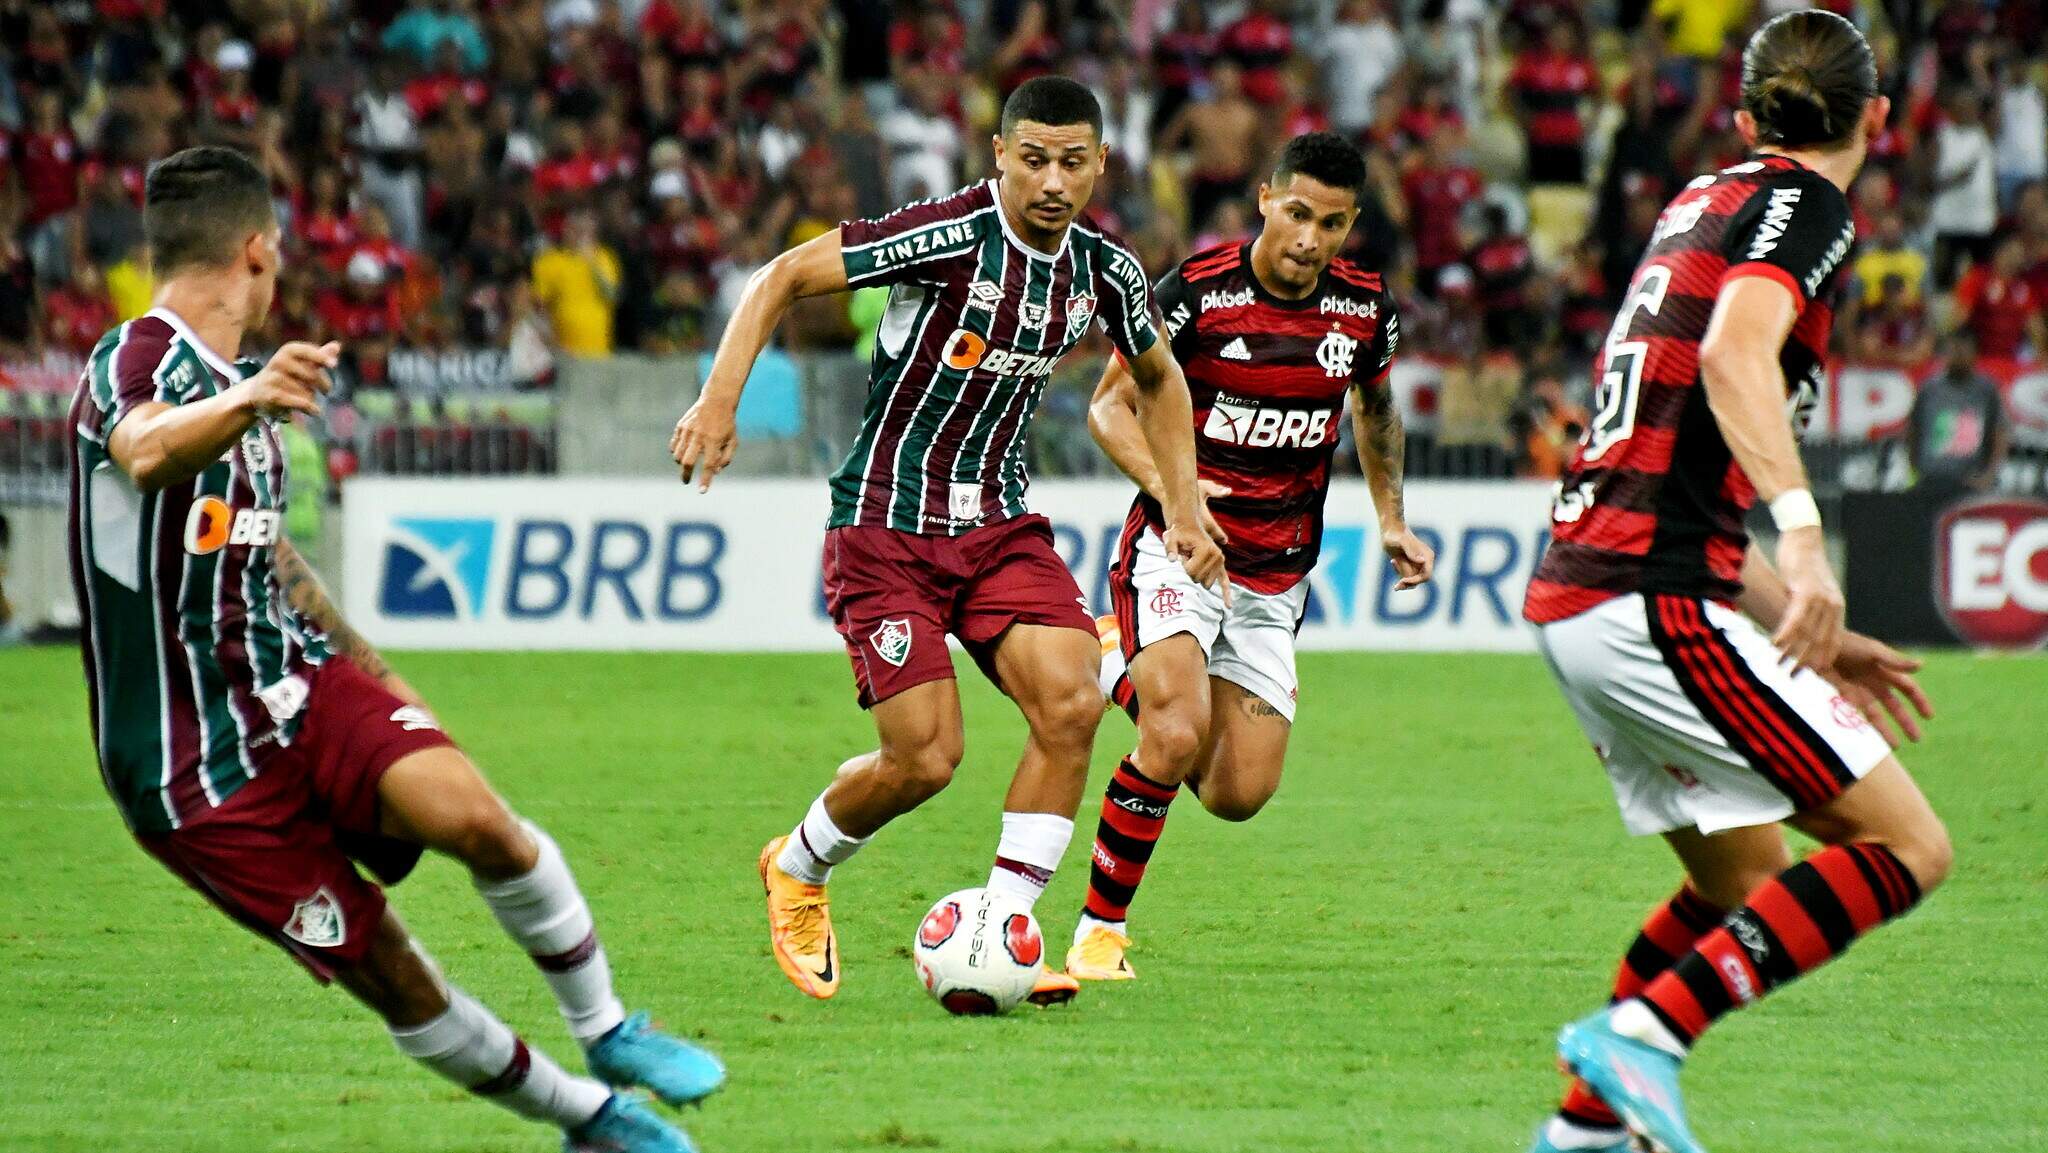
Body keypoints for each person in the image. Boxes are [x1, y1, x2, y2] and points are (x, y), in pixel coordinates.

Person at [64, 147, 715, 1153]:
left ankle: (608, 1029)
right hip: (191, 768)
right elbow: (144, 450)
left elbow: (269, 555)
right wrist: (246, 401)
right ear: (258, 249)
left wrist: (376, 672)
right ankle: (590, 1117)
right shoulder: (137, 360)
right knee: (391, 967)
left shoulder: (245, 390)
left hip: (293, 683)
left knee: (480, 819)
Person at [669, 77, 1221, 1004]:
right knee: (925, 757)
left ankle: (1004, 927)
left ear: (1100, 165)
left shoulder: (1106, 271)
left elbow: (1160, 382)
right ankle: (799, 867)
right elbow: (782, 277)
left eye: (1072, 162)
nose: (1053, 181)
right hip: (886, 524)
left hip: (999, 528)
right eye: (1034, 159)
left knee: (1073, 703)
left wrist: (1184, 503)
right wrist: (719, 400)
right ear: (1000, 155)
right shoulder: (947, 234)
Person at [1519, 15, 1952, 1153]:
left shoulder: (1695, 202)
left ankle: (1584, 1133)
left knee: (1741, 872)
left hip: (1587, 590)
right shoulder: (1807, 204)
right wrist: (1807, 543)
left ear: (1745, 115)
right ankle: (1642, 1041)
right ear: (1876, 118)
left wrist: (1792, 616)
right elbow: (1729, 356)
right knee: (1906, 849)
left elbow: (1684, 463)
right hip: (1646, 597)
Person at [1064, 132, 1434, 981]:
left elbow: (1375, 415)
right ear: (1266, 197)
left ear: (1351, 226)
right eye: (1298, 213)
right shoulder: (1197, 291)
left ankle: (1113, 653)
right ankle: (1099, 931)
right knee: (1173, 730)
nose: (1309, 239)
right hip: (1177, 550)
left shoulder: (1364, 306)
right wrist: (1179, 500)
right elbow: (1109, 409)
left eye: (1332, 224)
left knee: (1236, 793)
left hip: (1277, 576)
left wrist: (1390, 519)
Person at [1908, 329, 2009, 494]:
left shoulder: (1986, 390)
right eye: (1953, 350)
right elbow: (1913, 430)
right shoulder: (1929, 389)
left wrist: (1988, 476)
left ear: (1974, 354)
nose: (1958, 356)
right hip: (1930, 480)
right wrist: (1915, 468)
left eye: (1963, 350)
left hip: (1970, 482)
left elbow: (2000, 433)